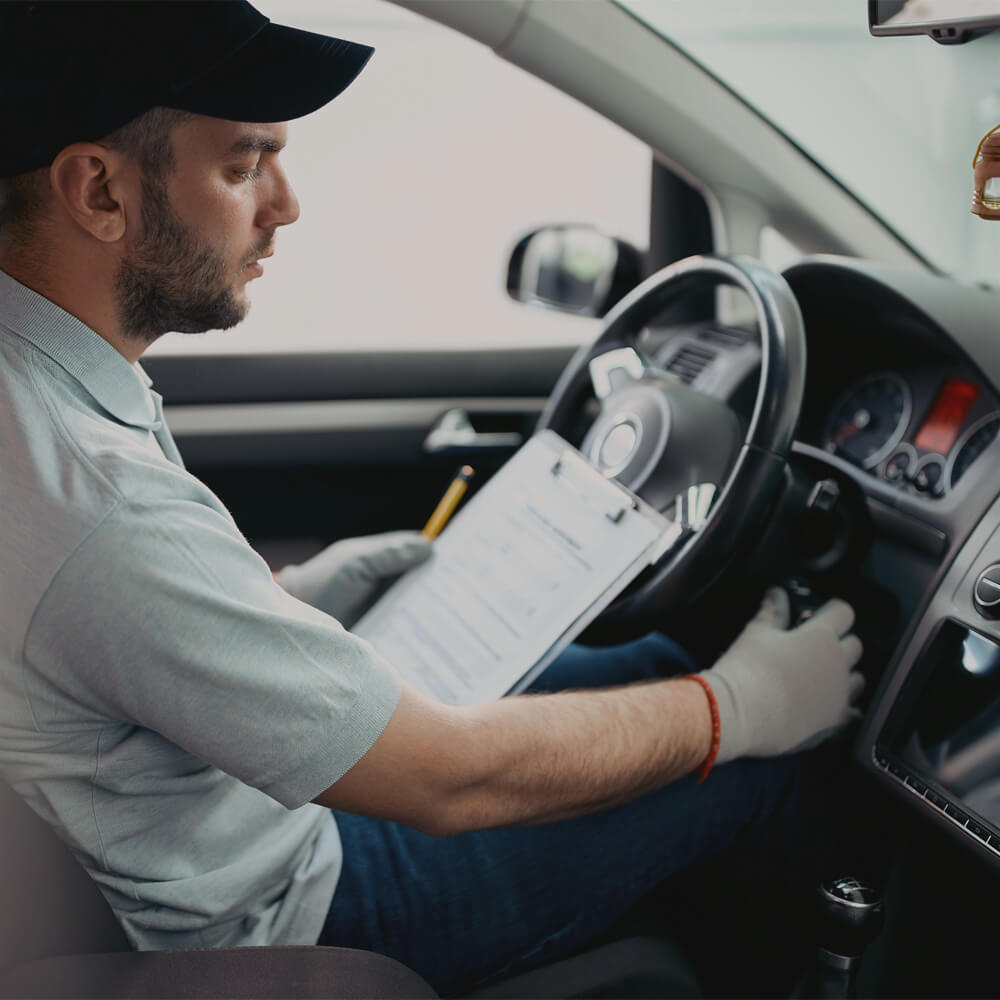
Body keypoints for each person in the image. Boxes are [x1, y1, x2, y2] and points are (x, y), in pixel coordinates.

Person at [0, 2, 865, 994]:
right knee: (756, 763)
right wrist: (739, 710)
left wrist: (291, 600)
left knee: (662, 659)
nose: (285, 204)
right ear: (96, 190)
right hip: (291, 903)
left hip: (237, 814)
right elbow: (451, 776)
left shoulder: (40, 393)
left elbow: (101, 637)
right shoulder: (95, 500)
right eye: (243, 165)